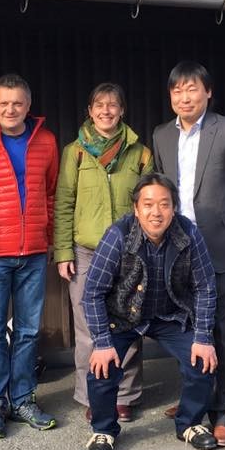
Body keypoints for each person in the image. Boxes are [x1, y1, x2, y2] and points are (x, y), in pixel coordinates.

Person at [152, 61, 225, 448]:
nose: (184, 97)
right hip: (179, 249)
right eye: (177, 90)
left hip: (222, 245)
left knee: (224, 332)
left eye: (192, 89)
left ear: (208, 92)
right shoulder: (162, 135)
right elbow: (163, 188)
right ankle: (196, 401)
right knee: (187, 330)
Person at [83, 173, 219, 450]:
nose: (156, 212)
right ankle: (104, 430)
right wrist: (102, 342)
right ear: (136, 208)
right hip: (123, 316)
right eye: (148, 204)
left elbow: (205, 286)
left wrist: (203, 337)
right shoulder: (118, 235)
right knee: (101, 367)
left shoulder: (188, 233)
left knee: (201, 360)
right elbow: (93, 292)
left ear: (174, 208)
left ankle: (189, 423)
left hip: (170, 315)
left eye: (164, 204)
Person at [0, 73, 59, 439]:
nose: (10, 109)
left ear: (28, 105)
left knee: (28, 330)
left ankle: (22, 399)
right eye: (3, 103)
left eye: (17, 103)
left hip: (33, 251)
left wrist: (49, 241)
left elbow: (51, 194)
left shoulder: (46, 141)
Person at [53, 83, 153, 423]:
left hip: (129, 249)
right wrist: (63, 251)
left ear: (122, 110)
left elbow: (151, 203)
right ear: (90, 111)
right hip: (86, 250)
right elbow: (64, 202)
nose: (106, 111)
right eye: (99, 105)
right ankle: (92, 395)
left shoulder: (140, 153)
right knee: (87, 326)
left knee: (128, 320)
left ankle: (124, 396)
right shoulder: (75, 152)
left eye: (112, 105)